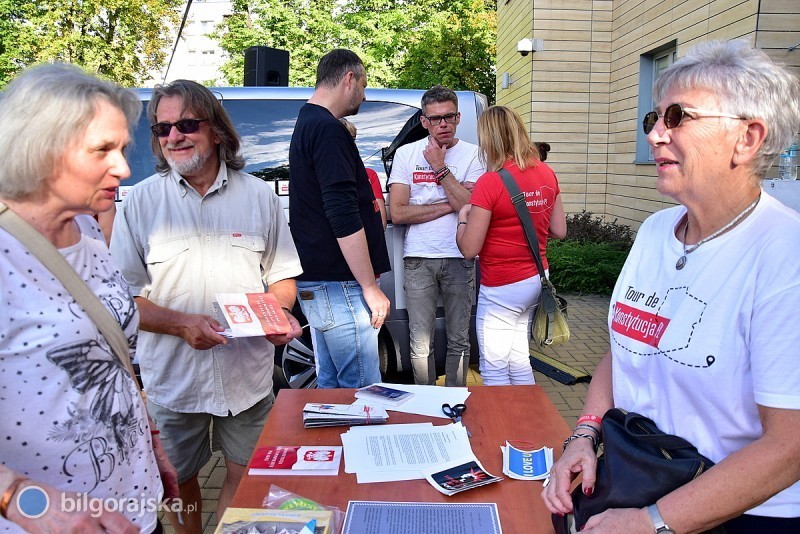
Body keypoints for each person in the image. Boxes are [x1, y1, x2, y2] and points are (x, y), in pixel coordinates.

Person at [542, 40, 800, 533]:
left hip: (740, 514)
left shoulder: (784, 254)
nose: (656, 135)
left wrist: (653, 522)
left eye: (678, 117)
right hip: (639, 477)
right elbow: (623, 350)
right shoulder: (656, 231)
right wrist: (583, 434)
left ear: (746, 139)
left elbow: (789, 447)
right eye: (654, 119)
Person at [110, 79, 303, 533]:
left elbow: (282, 277)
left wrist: (276, 314)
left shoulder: (260, 196)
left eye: (186, 124)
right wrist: (179, 325)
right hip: (174, 381)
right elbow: (124, 299)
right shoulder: (140, 202)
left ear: (216, 130)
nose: (173, 136)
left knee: (247, 478)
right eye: (162, 129)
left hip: (247, 378)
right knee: (180, 486)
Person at [0, 63, 177, 533]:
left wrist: (148, 442)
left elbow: (108, 350)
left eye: (122, 148)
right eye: (102, 150)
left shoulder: (85, 226)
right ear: (40, 150)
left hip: (133, 507)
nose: (122, 167)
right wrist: (17, 497)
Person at [288, 49, 391, 389]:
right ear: (349, 79)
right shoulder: (328, 130)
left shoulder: (307, 122)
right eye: (363, 85)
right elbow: (342, 214)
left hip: (321, 283)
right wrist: (370, 286)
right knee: (361, 393)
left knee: (332, 389)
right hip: (340, 285)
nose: (363, 94)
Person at [456, 106, 566, 385]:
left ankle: (504, 429)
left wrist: (463, 219)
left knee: (494, 370)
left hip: (502, 288)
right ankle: (528, 427)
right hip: (536, 278)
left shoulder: (490, 182)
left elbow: (469, 249)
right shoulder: (546, 173)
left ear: (490, 140)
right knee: (518, 360)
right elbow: (559, 230)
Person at [387, 85, 484, 386]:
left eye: (449, 117)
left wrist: (440, 170)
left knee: (459, 339)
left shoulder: (474, 154)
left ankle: (455, 401)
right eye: (436, 118)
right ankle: (425, 401)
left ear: (458, 117)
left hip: (459, 256)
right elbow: (398, 213)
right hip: (418, 257)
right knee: (420, 342)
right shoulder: (406, 153)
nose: (443, 124)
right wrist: (451, 203)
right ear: (424, 122)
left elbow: (471, 208)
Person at [340, 118, 387, 230]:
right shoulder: (318, 176)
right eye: (342, 139)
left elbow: (381, 222)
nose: (351, 144)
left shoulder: (369, 175)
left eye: (352, 139)